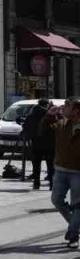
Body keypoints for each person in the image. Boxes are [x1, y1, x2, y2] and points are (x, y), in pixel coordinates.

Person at [50, 99, 80, 249]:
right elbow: (42, 131)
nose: (64, 107)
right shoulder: (62, 124)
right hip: (61, 169)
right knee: (56, 200)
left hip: (78, 172)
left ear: (76, 111)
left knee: (78, 205)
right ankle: (75, 224)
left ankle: (73, 234)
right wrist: (49, 115)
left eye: (68, 106)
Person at [23, 98, 53, 190]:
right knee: (50, 165)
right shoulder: (50, 115)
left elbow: (26, 127)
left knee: (36, 165)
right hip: (49, 143)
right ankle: (51, 184)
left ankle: (36, 183)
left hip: (36, 143)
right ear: (47, 105)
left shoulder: (31, 115)